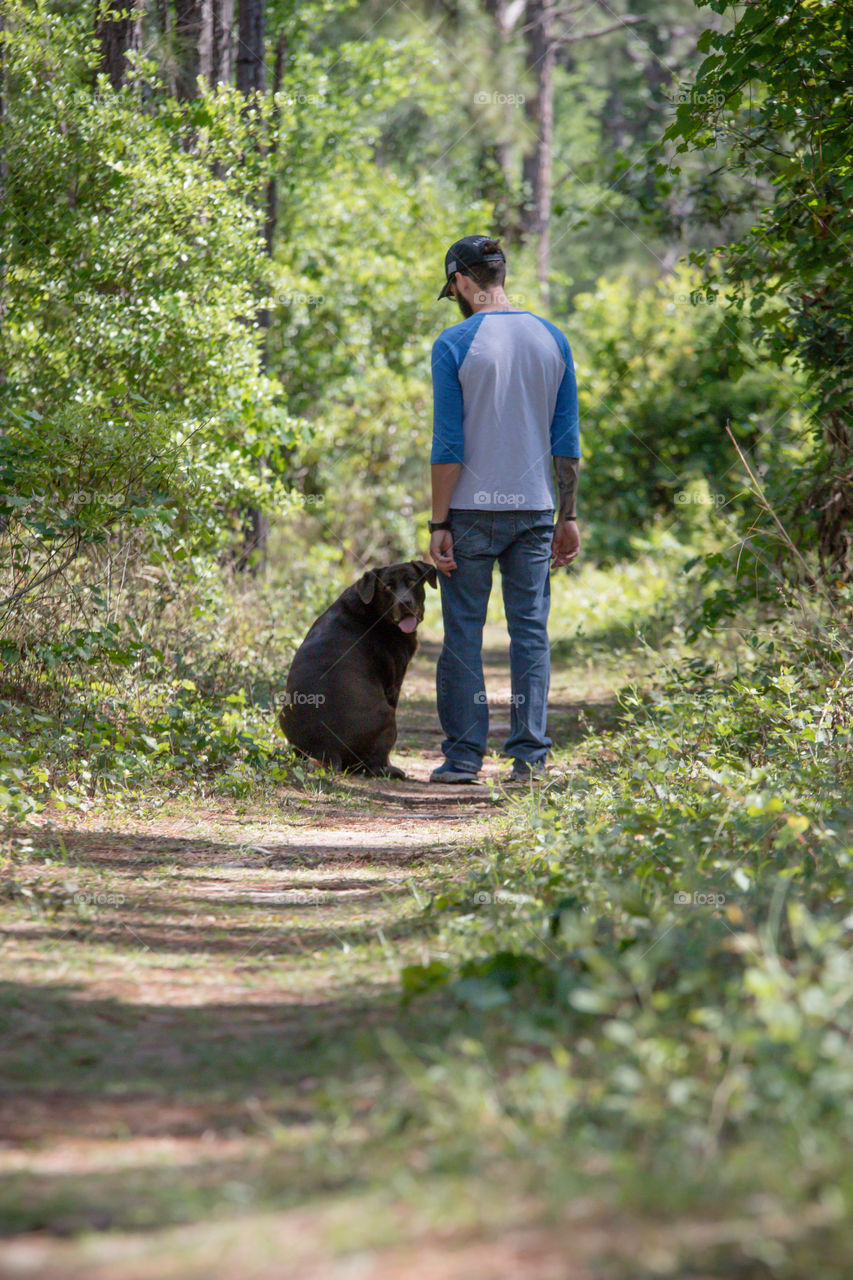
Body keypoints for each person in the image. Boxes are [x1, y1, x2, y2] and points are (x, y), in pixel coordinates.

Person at [428, 234, 580, 784]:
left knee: (464, 633)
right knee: (530, 632)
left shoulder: (454, 343)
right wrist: (568, 515)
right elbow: (566, 439)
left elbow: (448, 445)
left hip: (470, 510)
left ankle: (463, 758)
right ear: (501, 275)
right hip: (536, 510)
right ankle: (529, 760)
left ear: (460, 281)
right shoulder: (552, 338)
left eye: (453, 289)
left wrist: (439, 522)